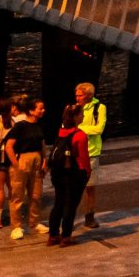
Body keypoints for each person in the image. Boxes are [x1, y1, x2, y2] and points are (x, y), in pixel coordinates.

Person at [45, 104, 93, 246]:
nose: (83, 116)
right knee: (70, 205)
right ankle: (66, 237)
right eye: (81, 114)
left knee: (58, 203)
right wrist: (88, 173)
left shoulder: (61, 132)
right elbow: (84, 159)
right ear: (76, 117)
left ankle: (53, 236)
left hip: (58, 173)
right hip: (74, 174)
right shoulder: (80, 135)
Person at [4, 97, 45, 240]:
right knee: (17, 195)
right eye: (40, 108)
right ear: (31, 110)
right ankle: (16, 227)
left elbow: (42, 144)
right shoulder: (20, 126)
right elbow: (8, 146)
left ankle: (34, 223)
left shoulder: (38, 125)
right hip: (23, 160)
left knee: (36, 195)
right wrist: (16, 164)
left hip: (37, 160)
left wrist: (44, 161)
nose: (43, 111)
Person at [73, 81, 108, 229]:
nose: (77, 98)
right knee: (73, 187)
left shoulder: (99, 108)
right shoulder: (74, 108)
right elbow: (66, 126)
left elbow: (99, 129)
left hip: (91, 153)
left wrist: (79, 129)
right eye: (76, 95)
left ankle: (89, 216)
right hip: (75, 152)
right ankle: (70, 216)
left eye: (80, 95)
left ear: (88, 95)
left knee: (90, 188)